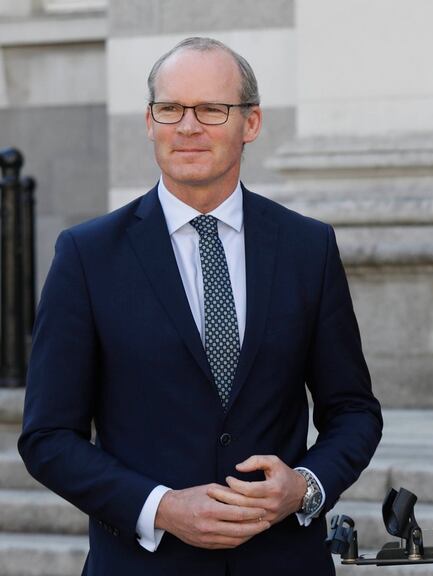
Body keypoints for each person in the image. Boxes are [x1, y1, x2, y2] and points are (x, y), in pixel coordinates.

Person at [19, 37, 382, 575]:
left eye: (212, 109)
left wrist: (304, 486)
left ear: (251, 123)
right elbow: (48, 437)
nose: (187, 126)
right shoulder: (87, 255)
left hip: (282, 562)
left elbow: (353, 411)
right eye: (170, 108)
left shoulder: (307, 248)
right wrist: (160, 507)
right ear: (149, 121)